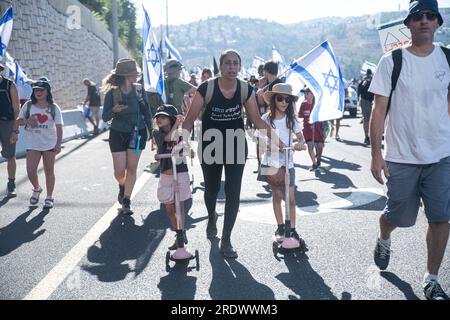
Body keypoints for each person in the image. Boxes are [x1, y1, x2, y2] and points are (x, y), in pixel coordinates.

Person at [369, 0, 450, 300]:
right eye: (418, 16)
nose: (424, 21)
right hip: (402, 156)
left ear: (438, 22)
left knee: (441, 217)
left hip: (441, 155)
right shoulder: (392, 61)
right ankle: (384, 235)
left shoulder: (447, 59)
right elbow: (378, 111)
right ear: (409, 23)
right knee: (399, 217)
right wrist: (376, 154)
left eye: (430, 16)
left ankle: (432, 279)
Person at [182, 49, 284, 259]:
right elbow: (191, 118)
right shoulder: (207, 87)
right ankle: (212, 217)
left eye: (236, 63)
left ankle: (226, 239)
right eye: (228, 63)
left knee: (233, 192)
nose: (232, 67)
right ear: (221, 66)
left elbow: (256, 120)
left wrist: (276, 140)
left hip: (236, 142)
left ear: (240, 66)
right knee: (211, 190)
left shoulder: (245, 89)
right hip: (210, 142)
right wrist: (181, 141)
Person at [102, 58, 152, 215]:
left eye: (136, 74)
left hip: (138, 133)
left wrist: (153, 133)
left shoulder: (139, 90)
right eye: (132, 74)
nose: (136, 76)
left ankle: (127, 201)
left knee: (132, 168)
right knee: (119, 172)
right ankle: (122, 185)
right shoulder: (112, 93)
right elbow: (105, 117)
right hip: (117, 133)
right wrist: (114, 110)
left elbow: (147, 112)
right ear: (124, 75)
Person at [259, 83, 306, 241]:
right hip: (270, 163)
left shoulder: (291, 119)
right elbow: (260, 140)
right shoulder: (266, 119)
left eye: (287, 99)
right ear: (273, 100)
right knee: (277, 195)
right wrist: (270, 145)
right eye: (280, 99)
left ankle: (292, 229)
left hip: (288, 163)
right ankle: (280, 227)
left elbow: (300, 137)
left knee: (291, 198)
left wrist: (300, 143)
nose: (284, 102)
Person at [16, 80, 63, 208]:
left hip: (49, 143)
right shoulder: (28, 105)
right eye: (36, 90)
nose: (38, 92)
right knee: (31, 170)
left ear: (47, 92)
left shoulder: (54, 107)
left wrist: (58, 143)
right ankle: (37, 189)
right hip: (33, 143)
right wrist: (27, 121)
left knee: (49, 170)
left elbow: (59, 127)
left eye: (41, 90)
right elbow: (18, 121)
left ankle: (49, 197)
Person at [153, 104, 193, 250]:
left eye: (163, 117)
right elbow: (169, 138)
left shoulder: (181, 132)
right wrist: (177, 123)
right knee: (169, 207)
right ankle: (177, 229)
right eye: (158, 117)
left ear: (170, 118)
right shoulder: (157, 133)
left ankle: (180, 234)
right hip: (166, 173)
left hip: (180, 171)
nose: (159, 120)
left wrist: (188, 151)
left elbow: (185, 145)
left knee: (180, 204)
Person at [0, 62, 20, 198]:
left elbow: (16, 109)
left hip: (7, 123)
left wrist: (15, 130)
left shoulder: (9, 85)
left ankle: (11, 184)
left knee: (10, 155)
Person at [298, 88, 325, 171]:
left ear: (312, 94)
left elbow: (323, 115)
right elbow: (300, 115)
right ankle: (314, 163)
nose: (305, 95)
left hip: (318, 128)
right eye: (305, 94)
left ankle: (319, 158)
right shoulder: (303, 104)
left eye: (307, 94)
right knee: (310, 146)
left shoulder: (318, 104)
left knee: (320, 146)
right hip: (307, 129)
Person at [358, 69, 374, 145]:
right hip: (368, 101)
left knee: (367, 119)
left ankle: (368, 137)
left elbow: (359, 91)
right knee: (368, 119)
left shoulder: (364, 81)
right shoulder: (368, 80)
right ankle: (367, 137)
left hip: (366, 100)